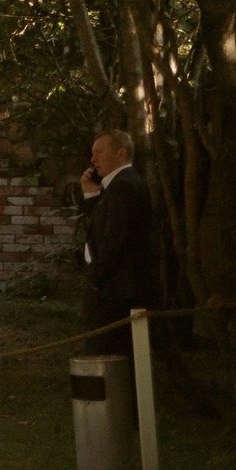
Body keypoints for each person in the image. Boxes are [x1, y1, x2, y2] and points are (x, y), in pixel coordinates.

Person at [78, 128, 155, 355]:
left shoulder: (124, 186)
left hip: (116, 296)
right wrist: (91, 196)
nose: (93, 160)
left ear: (121, 154)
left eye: (99, 152)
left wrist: (96, 279)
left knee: (109, 357)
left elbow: (114, 241)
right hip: (111, 291)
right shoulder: (114, 188)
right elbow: (99, 232)